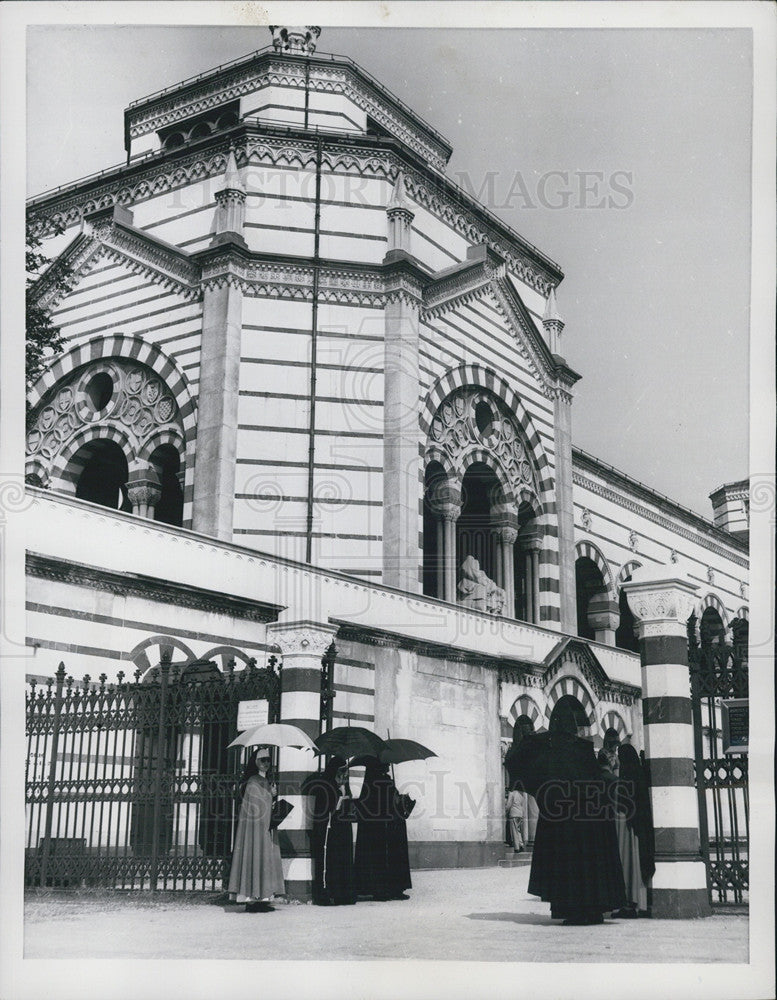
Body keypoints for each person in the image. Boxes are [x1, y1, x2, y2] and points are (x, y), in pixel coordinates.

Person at [509, 704, 626, 925]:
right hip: (591, 818)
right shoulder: (583, 748)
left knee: (568, 867)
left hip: (563, 820)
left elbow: (536, 779)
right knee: (590, 866)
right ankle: (594, 911)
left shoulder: (549, 750)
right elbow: (595, 780)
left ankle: (573, 911)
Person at [227, 747, 285, 912]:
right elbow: (255, 807)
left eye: (268, 760)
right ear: (255, 762)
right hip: (255, 829)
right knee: (255, 857)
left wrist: (272, 795)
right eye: (262, 760)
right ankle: (251, 900)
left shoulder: (266, 781)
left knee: (264, 860)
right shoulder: (252, 782)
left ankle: (263, 899)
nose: (266, 763)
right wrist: (270, 795)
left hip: (264, 828)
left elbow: (266, 805)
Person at [353, 759, 412, 901]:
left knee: (388, 857)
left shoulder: (379, 781)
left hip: (387, 826)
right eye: (385, 763)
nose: (387, 766)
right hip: (381, 828)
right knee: (382, 858)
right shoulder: (378, 782)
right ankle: (384, 889)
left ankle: (391, 888)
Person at [302, 756, 357, 906]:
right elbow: (323, 809)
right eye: (341, 771)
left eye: (346, 771)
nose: (344, 775)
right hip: (329, 829)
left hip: (342, 828)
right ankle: (326, 894)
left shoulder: (345, 785)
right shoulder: (325, 785)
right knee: (330, 862)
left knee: (343, 861)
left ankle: (343, 894)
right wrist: (337, 801)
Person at [613, 742, 655, 917]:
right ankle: (641, 904)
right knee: (637, 864)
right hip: (639, 828)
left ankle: (630, 904)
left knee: (628, 865)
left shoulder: (627, 776)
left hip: (627, 829)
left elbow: (622, 802)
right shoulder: (639, 774)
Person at [505, 787, 525, 852]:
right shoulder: (521, 794)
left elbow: (508, 805)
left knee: (514, 831)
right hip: (520, 814)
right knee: (518, 830)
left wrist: (505, 811)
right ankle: (521, 844)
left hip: (514, 813)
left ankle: (517, 847)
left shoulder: (512, 793)